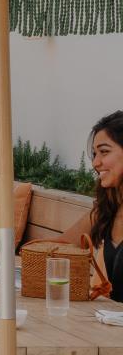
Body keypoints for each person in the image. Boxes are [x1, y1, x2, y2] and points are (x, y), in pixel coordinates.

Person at [57, 111, 123, 303]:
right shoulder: (108, 209)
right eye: (94, 154)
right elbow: (58, 248)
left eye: (104, 152)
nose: (95, 163)